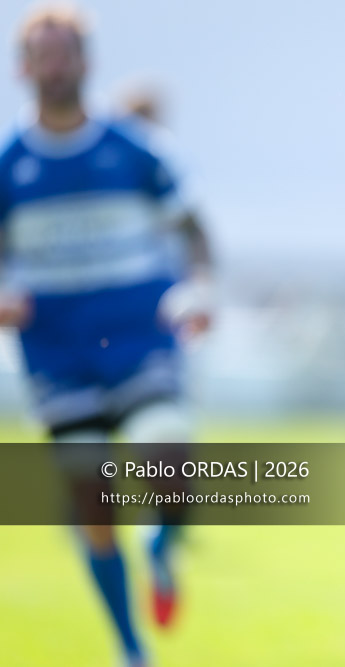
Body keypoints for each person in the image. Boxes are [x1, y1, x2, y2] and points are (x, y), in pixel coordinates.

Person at [0, 7, 213, 666]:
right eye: (43, 53)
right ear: (23, 66)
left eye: (66, 52)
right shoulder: (10, 163)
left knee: (169, 468)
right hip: (58, 355)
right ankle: (129, 645)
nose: (55, 65)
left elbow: (192, 230)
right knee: (93, 505)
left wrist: (198, 290)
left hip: (140, 340)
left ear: (86, 63)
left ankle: (159, 547)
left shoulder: (135, 146)